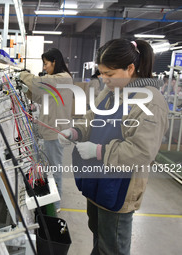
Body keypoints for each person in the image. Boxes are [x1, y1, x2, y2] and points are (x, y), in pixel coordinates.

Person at [58, 39, 169, 255]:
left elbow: (142, 151)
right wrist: (77, 131)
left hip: (120, 186)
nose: (104, 79)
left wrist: (99, 151)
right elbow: (93, 117)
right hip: (98, 180)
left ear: (130, 68)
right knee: (99, 236)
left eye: (109, 74)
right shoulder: (111, 92)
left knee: (113, 246)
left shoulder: (150, 102)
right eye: (102, 73)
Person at [20, 48, 73, 210]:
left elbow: (40, 83)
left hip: (56, 132)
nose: (44, 68)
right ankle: (47, 198)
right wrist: (25, 90)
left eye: (46, 64)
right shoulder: (56, 80)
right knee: (48, 167)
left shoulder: (63, 78)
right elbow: (40, 96)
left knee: (55, 168)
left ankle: (56, 204)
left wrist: (22, 75)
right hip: (49, 130)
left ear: (55, 62)